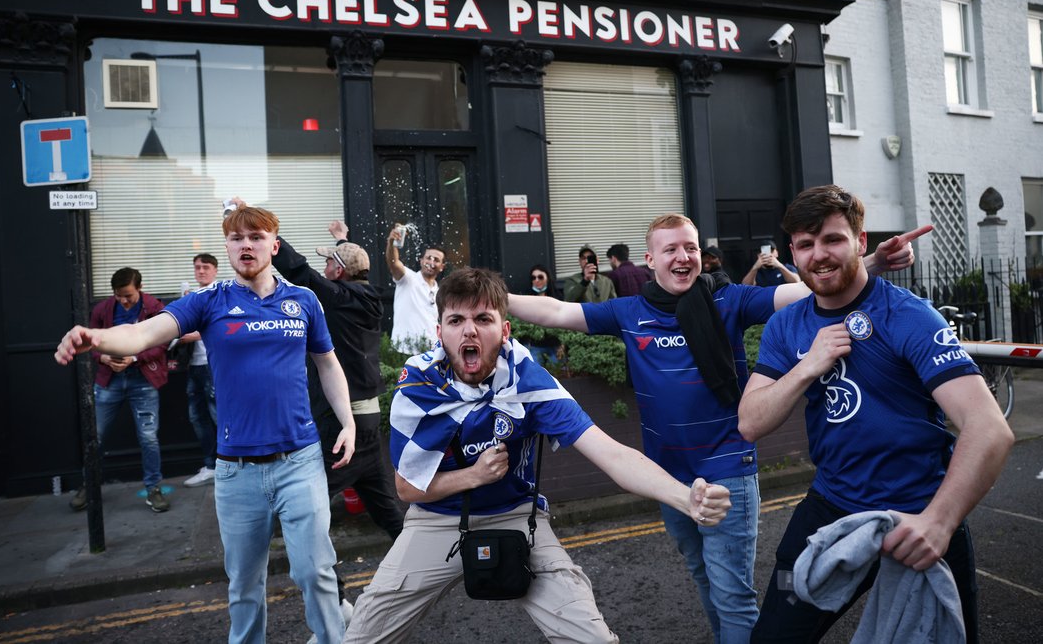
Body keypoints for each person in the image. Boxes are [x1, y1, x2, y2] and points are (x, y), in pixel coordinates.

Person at [508, 214, 924, 643]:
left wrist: (870, 261)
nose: (682, 256)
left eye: (689, 247)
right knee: (705, 579)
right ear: (651, 259)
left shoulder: (729, 301)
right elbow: (557, 311)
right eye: (670, 249)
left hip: (728, 467)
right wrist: (496, 301)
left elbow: (803, 290)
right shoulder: (629, 311)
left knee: (732, 595)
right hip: (667, 477)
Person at [344, 267, 733, 643]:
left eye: (483, 318)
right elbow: (408, 490)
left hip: (517, 517)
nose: (469, 330)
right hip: (436, 520)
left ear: (504, 329)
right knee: (362, 636)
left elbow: (610, 453)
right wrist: (475, 476)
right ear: (439, 331)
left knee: (591, 638)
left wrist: (685, 497)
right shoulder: (419, 388)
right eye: (456, 320)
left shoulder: (530, 383)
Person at [55, 205, 356, 644]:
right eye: (236, 238)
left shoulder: (303, 300)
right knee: (244, 587)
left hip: (300, 461)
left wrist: (346, 421)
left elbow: (327, 364)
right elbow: (143, 334)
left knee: (315, 573)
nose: (246, 245)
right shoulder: (209, 301)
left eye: (256, 236)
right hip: (236, 471)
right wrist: (96, 337)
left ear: (274, 245)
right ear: (228, 247)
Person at [738, 186, 1014, 643]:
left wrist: (939, 523)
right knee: (774, 637)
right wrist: (808, 366)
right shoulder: (787, 325)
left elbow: (989, 429)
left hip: (918, 514)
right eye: (806, 245)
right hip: (830, 509)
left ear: (861, 242)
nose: (819, 255)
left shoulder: (910, 316)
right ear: (793, 252)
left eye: (833, 240)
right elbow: (751, 421)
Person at [269, 213, 406, 541]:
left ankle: (328, 587)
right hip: (367, 419)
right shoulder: (364, 297)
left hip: (342, 424)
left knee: (301, 508)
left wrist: (268, 236)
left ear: (338, 271)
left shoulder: (339, 299)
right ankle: (426, 567)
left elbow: (299, 272)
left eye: (329, 263)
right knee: (390, 514)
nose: (325, 269)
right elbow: (351, 267)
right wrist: (343, 240)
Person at [69, 267, 170, 513]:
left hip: (142, 380)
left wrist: (133, 358)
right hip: (109, 380)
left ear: (140, 289)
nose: (124, 300)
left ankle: (153, 489)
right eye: (119, 295)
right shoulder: (103, 309)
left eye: (128, 295)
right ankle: (89, 486)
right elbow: (90, 343)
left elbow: (163, 343)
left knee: (148, 437)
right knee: (96, 436)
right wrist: (103, 358)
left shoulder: (154, 308)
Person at [178, 253, 219, 488]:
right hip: (193, 365)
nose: (201, 271)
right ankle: (211, 465)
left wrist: (188, 333)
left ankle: (226, 464)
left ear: (215, 270)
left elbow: (221, 326)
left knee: (217, 415)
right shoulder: (193, 296)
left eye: (205, 267)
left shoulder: (220, 294)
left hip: (212, 365)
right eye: (197, 267)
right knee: (198, 417)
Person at [386, 226, 446, 354]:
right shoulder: (408, 278)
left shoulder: (440, 291)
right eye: (428, 258)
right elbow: (393, 263)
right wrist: (391, 243)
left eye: (436, 260)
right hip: (404, 351)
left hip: (431, 352)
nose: (431, 262)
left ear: (442, 267)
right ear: (421, 261)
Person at [523, 264, 562, 365]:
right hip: (535, 347)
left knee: (558, 372)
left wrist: (563, 345)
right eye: (533, 277)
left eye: (540, 277)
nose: (537, 280)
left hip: (555, 346)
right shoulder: (526, 300)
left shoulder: (557, 298)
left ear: (547, 278)